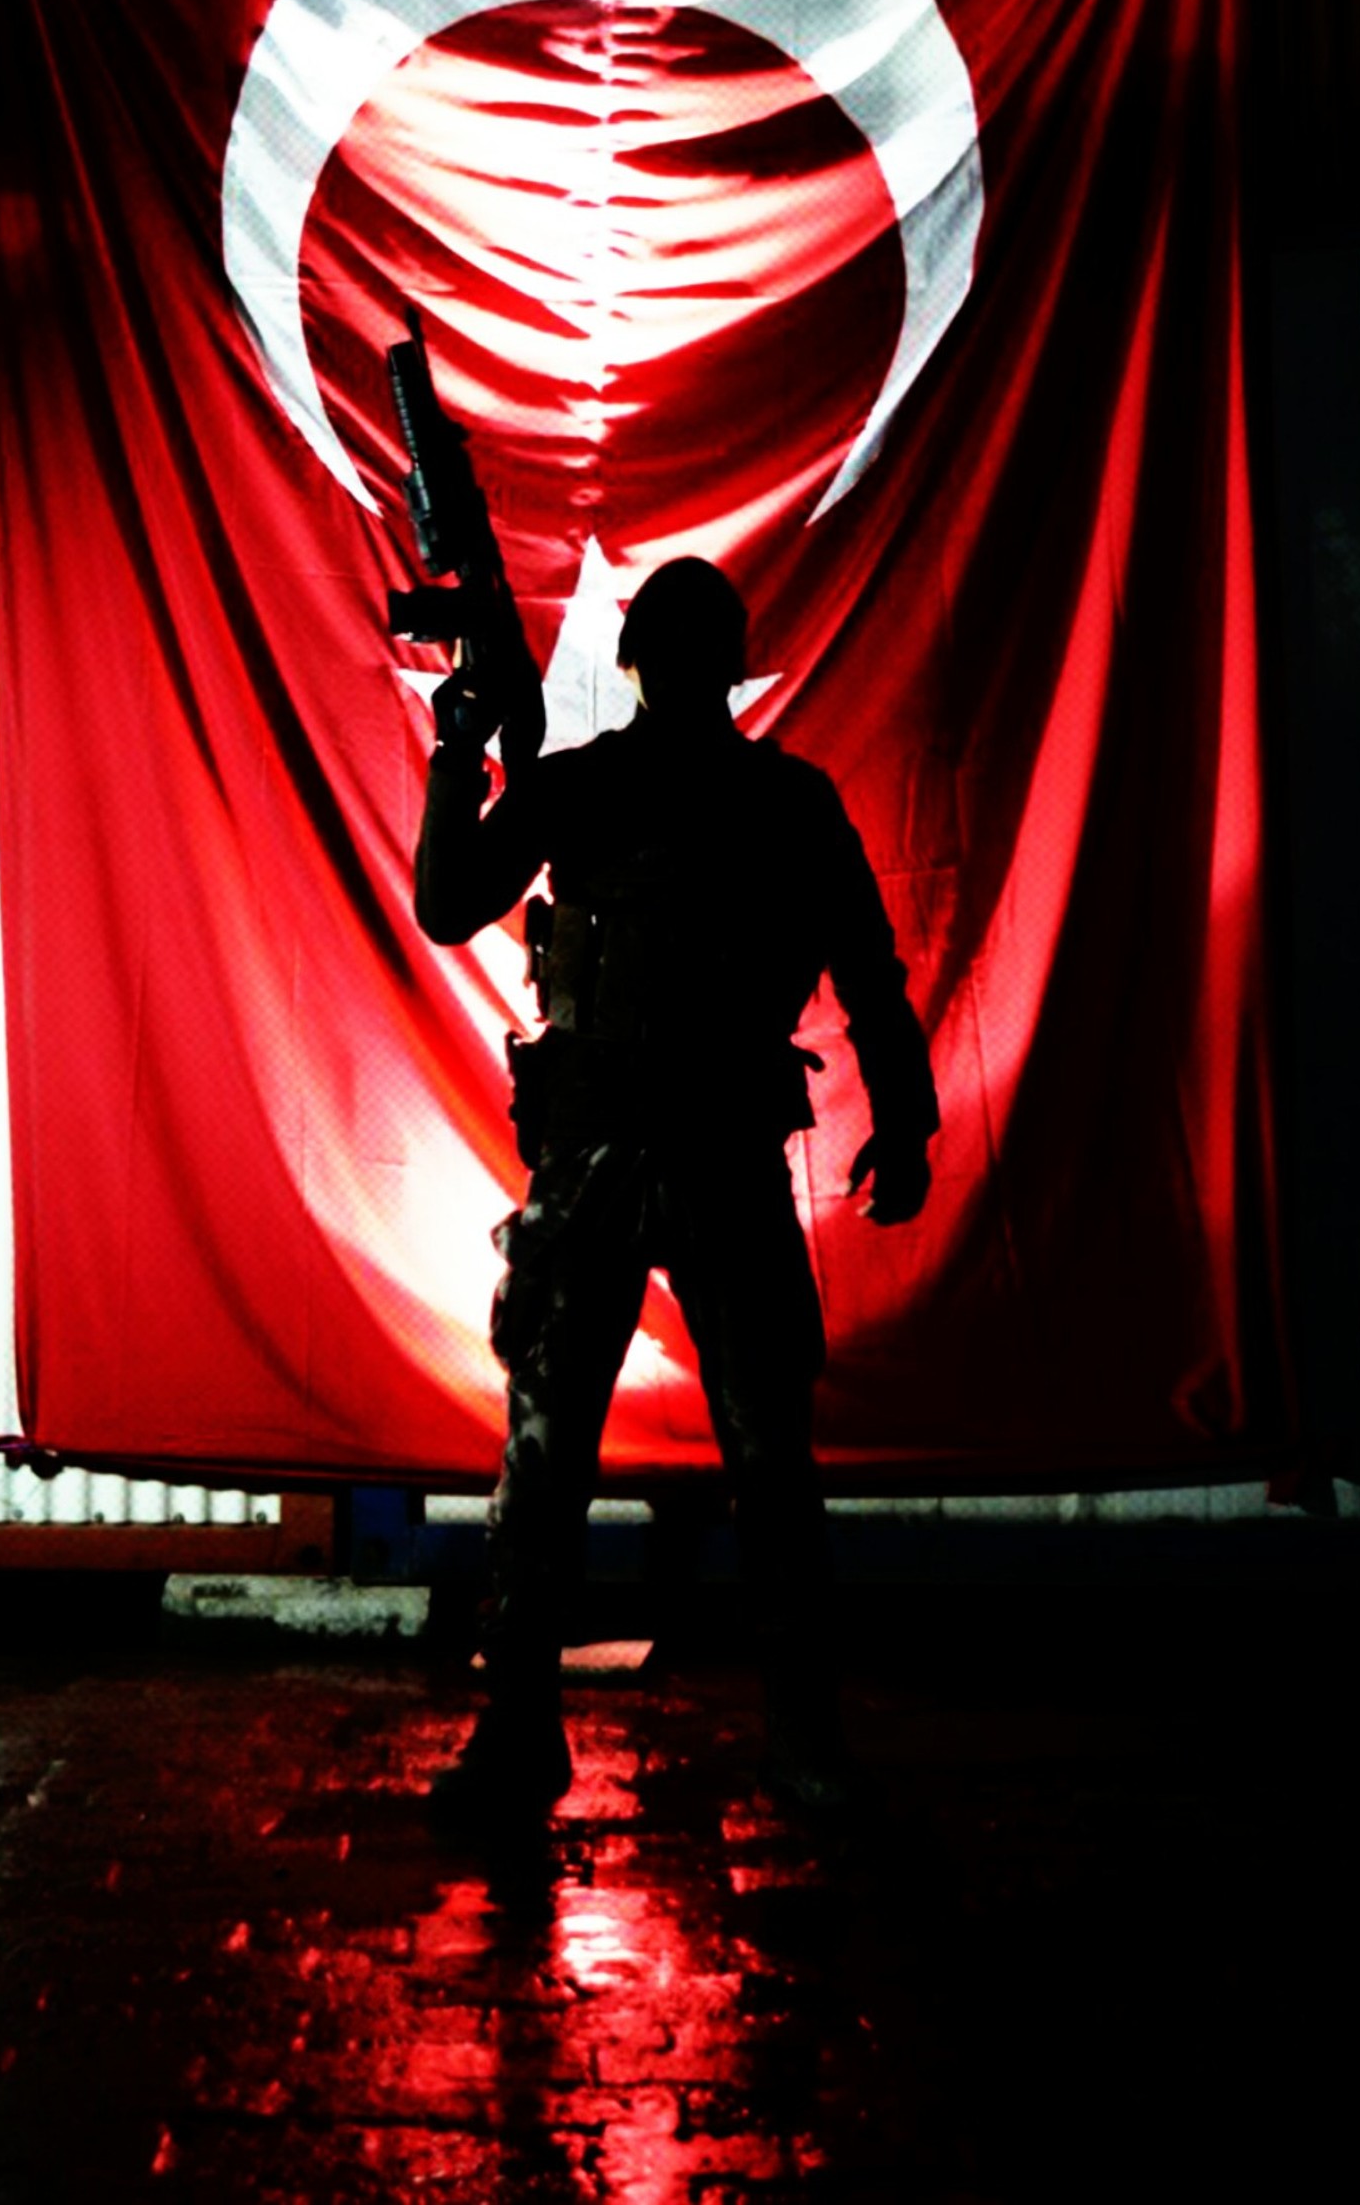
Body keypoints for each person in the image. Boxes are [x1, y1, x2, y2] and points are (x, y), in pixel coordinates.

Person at [415, 556, 938, 1820]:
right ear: (710, 663)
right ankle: (768, 1739)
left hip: (645, 1154)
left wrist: (460, 758)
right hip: (649, 1153)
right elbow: (870, 975)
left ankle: (538, 1735)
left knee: (576, 1460)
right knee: (734, 1461)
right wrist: (905, 1126)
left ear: (641, 662)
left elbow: (445, 901)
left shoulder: (626, 791)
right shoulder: (758, 797)